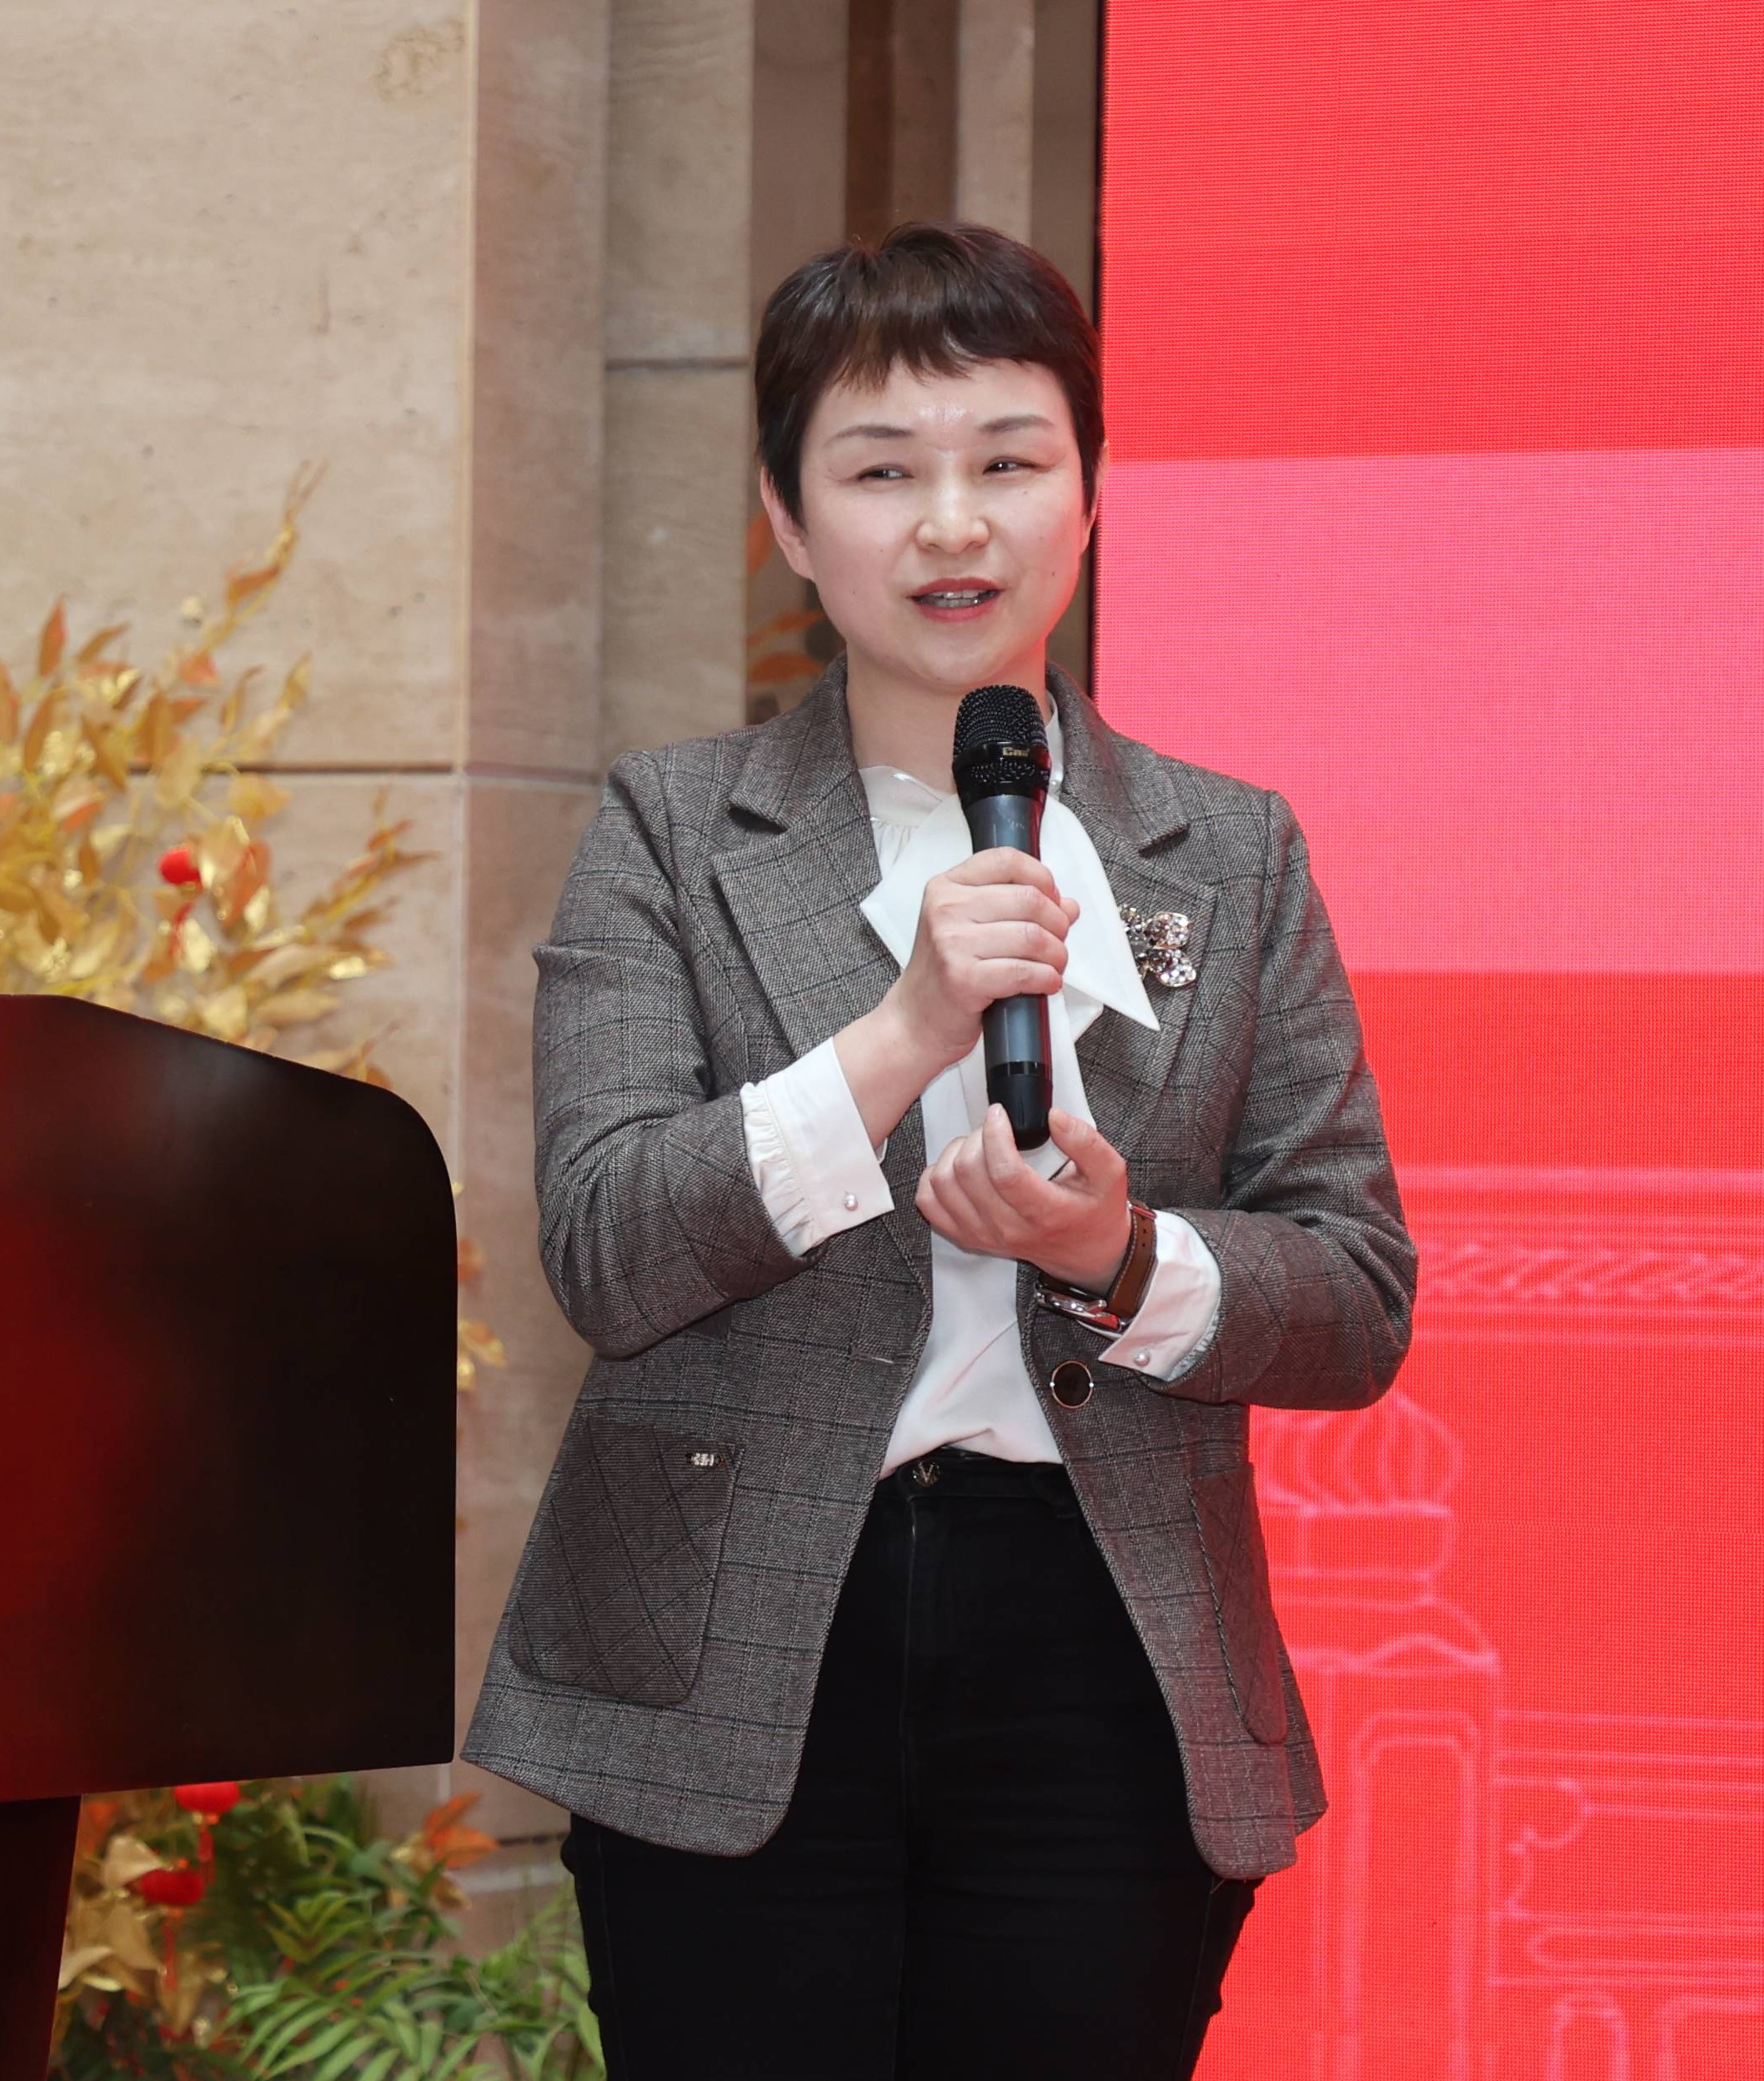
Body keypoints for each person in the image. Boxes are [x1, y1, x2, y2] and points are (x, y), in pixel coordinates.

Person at [461, 222, 1416, 2079]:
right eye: (883, 472)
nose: (953, 524)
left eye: (1009, 461)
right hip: (735, 1636)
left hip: (1103, 1645)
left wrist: (1122, 1256)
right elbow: (606, 1248)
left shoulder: (1231, 852)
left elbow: (1357, 1293)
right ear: (789, 519)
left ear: (1092, 496)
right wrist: (901, 1036)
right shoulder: (672, 827)